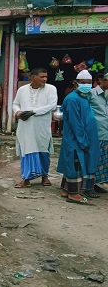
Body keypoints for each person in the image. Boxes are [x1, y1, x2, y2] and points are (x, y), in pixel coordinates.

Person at [57, 70, 100, 204]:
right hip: (76, 139)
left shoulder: (84, 96)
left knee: (76, 163)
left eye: (88, 83)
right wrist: (83, 142)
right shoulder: (72, 99)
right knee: (76, 164)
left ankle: (66, 190)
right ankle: (74, 194)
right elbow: (76, 124)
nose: (86, 85)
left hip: (85, 137)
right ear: (76, 83)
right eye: (83, 83)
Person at [12, 67, 58, 189]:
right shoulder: (22, 90)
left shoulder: (51, 89)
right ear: (33, 77)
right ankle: (26, 179)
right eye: (42, 77)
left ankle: (44, 176)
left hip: (42, 126)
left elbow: (52, 105)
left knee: (43, 151)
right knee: (26, 150)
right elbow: (15, 104)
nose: (45, 79)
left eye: (46, 77)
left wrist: (32, 112)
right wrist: (18, 113)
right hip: (25, 126)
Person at [90, 73, 108, 192]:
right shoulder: (91, 93)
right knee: (94, 159)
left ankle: (98, 183)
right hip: (97, 131)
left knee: (104, 161)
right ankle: (89, 185)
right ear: (102, 80)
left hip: (106, 133)